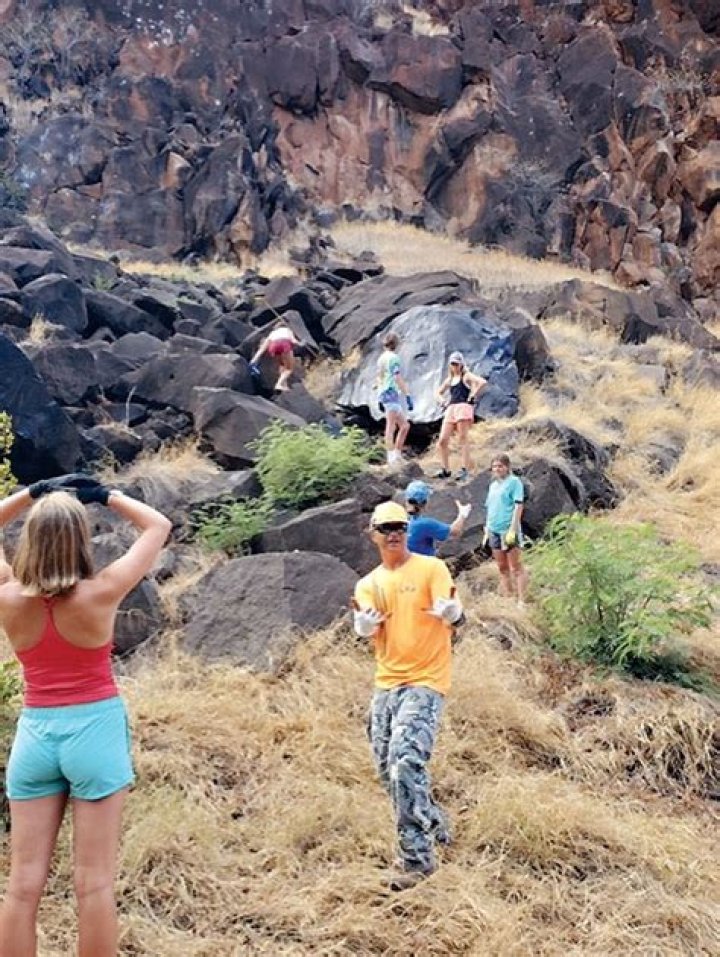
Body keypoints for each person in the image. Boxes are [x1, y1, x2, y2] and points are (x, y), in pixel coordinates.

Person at [0, 474, 171, 957]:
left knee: (22, 886)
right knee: (93, 884)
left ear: (29, 540)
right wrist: (105, 495)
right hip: (94, 732)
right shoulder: (101, 592)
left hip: (36, 736)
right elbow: (158, 526)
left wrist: (31, 493)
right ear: (80, 540)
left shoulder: (9, 597)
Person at [352, 501, 463, 891]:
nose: (394, 533)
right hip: (387, 683)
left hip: (426, 681)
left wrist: (453, 613)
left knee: (405, 762)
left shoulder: (431, 568)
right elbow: (365, 620)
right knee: (387, 770)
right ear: (373, 534)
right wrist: (362, 626)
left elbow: (452, 608)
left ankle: (417, 860)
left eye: (400, 526)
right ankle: (435, 824)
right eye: (386, 528)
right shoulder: (368, 583)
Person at [483, 453, 528, 607]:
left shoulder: (514, 482)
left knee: (515, 566)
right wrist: (487, 529)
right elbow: (489, 507)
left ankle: (522, 600)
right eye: (494, 466)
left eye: (500, 466)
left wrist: (513, 529)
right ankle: (509, 597)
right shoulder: (493, 485)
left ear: (507, 467)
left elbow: (518, 505)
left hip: (508, 529)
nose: (497, 469)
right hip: (494, 529)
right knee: (502, 567)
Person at [435, 351, 487, 482]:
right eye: (452, 364)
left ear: (461, 364)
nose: (454, 366)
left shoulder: (466, 376)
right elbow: (438, 392)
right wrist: (442, 401)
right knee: (442, 440)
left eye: (456, 364)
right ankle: (445, 469)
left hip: (463, 407)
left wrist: (473, 395)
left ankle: (464, 469)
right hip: (451, 408)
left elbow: (481, 382)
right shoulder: (450, 379)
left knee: (462, 438)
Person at [404, 479, 472, 557]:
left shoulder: (407, 522)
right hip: (425, 565)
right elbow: (455, 531)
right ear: (426, 501)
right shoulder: (425, 524)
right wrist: (463, 514)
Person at [376, 332, 413, 468]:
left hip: (385, 393)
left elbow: (378, 377)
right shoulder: (394, 358)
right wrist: (407, 394)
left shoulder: (381, 359)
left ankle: (397, 454)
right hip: (390, 392)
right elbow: (397, 377)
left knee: (404, 425)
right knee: (391, 426)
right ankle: (390, 458)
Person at [250, 322, 302, 392]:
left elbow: (263, 347)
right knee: (289, 368)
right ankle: (279, 384)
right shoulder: (287, 330)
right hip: (284, 344)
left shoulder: (272, 333)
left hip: (273, 347)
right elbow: (293, 340)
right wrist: (301, 343)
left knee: (282, 365)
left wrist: (254, 359)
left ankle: (284, 385)